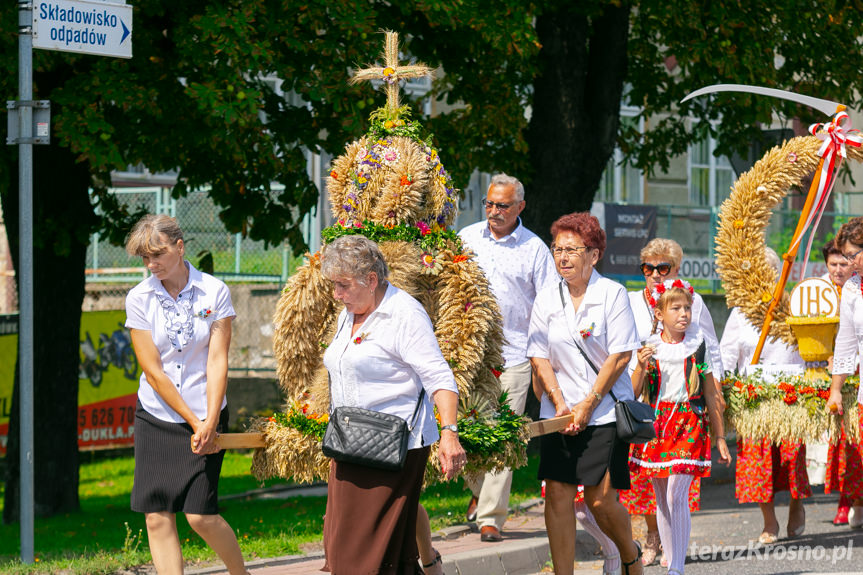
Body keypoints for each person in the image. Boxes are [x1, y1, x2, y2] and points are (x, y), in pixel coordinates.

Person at [320, 234, 466, 574]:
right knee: (370, 551)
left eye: (343, 285)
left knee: (364, 555)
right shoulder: (352, 311)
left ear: (372, 280)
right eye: (335, 286)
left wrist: (449, 434)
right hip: (349, 443)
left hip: (392, 447)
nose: (337, 295)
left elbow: (440, 378)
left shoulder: (404, 314)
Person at [123, 214, 248, 575]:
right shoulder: (139, 298)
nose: (151, 264)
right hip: (157, 416)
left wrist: (208, 420)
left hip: (207, 411)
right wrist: (194, 422)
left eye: (157, 254)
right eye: (145, 258)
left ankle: (241, 574)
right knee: (157, 516)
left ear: (179, 247)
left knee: (200, 516)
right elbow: (153, 371)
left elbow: (217, 360)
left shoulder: (215, 292)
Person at [528, 212, 644, 575]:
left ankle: (630, 553)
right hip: (558, 411)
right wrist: (560, 403)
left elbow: (622, 354)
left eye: (572, 249)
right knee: (558, 495)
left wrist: (587, 404)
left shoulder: (612, 294)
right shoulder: (546, 298)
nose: (562, 257)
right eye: (557, 249)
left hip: (605, 411)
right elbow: (538, 355)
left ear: (593, 254)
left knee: (600, 500)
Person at [458, 173, 558, 542]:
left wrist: (541, 356)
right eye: (489, 204)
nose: (494, 211)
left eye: (502, 205)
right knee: (464, 433)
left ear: (520, 207)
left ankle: (491, 518)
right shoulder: (466, 239)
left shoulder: (534, 249)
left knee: (502, 436)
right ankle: (478, 488)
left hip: (515, 355)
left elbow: (548, 305)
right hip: (470, 355)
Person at [630, 278, 731, 575]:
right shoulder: (649, 346)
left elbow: (711, 393)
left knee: (676, 493)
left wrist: (720, 436)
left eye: (687, 307)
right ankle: (671, 557)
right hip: (657, 424)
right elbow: (634, 391)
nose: (684, 313)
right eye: (676, 308)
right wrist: (641, 366)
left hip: (689, 422)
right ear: (660, 314)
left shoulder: (698, 345)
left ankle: (677, 567)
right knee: (661, 497)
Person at [620, 238, 704, 567]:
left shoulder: (689, 303)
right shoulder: (627, 301)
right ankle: (653, 536)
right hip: (642, 399)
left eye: (663, 268)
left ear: (676, 271)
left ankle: (674, 556)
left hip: (683, 404)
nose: (655, 274)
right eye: (648, 268)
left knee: (675, 489)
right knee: (649, 484)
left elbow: (707, 347)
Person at [720, 248, 809, 543]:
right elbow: (726, 355)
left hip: (790, 395)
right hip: (753, 397)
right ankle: (769, 521)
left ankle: (796, 505)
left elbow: (810, 347)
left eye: (766, 271)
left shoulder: (794, 306)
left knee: (792, 458)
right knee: (758, 464)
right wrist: (720, 391)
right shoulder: (740, 312)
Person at [820, 238, 861, 526]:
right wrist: (835, 389)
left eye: (852, 256)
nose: (847, 263)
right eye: (842, 257)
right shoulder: (852, 287)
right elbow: (846, 344)